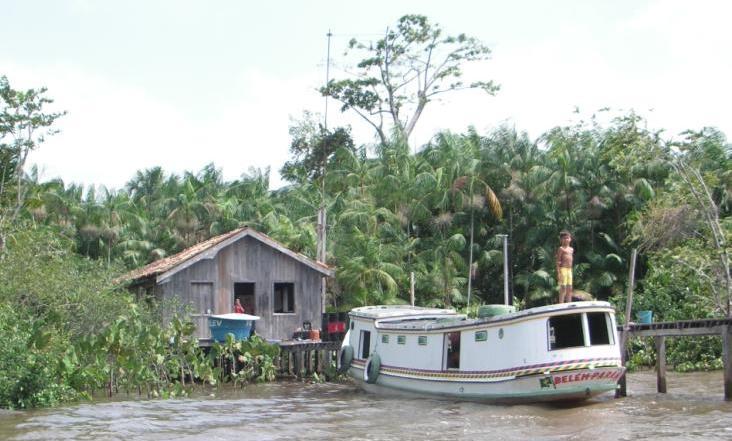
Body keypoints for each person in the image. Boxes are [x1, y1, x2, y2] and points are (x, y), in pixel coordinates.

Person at [555, 230, 574, 303]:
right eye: (564, 238)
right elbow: (558, 261)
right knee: (563, 287)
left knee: (570, 287)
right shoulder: (561, 249)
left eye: (568, 238)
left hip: (569, 270)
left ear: (570, 239)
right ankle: (561, 303)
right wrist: (558, 272)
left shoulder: (571, 249)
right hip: (563, 269)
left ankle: (569, 302)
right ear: (561, 240)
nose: (566, 239)